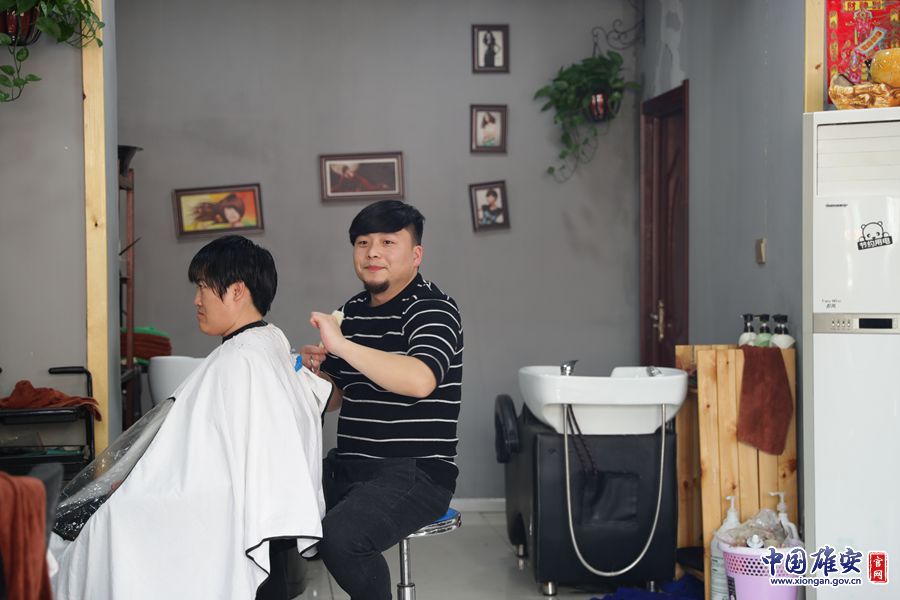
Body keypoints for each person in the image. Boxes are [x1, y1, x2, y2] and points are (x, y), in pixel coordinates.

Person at [50, 235, 332, 600]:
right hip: (247, 515)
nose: (197, 300)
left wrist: (138, 490)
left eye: (202, 287)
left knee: (107, 525)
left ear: (236, 291)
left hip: (221, 510)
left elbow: (207, 471)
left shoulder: (241, 359)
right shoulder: (267, 340)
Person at [300, 200, 463, 600]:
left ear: (416, 255)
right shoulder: (351, 312)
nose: (373, 252)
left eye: (388, 242)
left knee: (341, 538)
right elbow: (337, 397)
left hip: (418, 473)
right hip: (351, 466)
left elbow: (420, 379)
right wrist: (315, 375)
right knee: (269, 512)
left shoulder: (434, 308)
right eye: (363, 243)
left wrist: (342, 346)